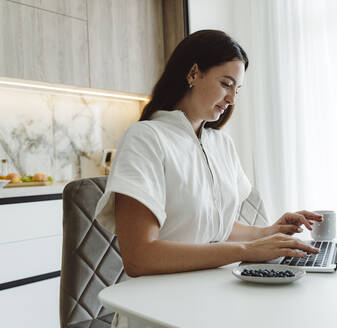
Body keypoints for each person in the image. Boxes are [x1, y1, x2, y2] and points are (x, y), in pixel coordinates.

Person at [95, 29, 320, 285]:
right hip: (159, 299)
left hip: (214, 288)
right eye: (226, 84)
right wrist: (247, 251)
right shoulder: (145, 138)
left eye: (238, 89)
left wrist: (269, 233)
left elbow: (214, 228)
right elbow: (139, 257)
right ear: (193, 73)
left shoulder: (221, 143)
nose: (232, 99)